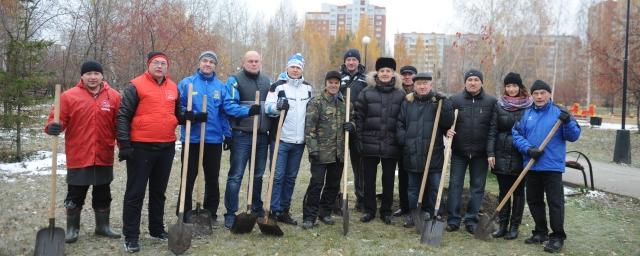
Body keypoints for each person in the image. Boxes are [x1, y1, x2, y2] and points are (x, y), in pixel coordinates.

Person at [44, 60, 122, 243]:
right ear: (82, 76)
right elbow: (54, 121)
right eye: (89, 74)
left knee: (103, 193)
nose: (93, 77)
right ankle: (72, 229)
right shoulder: (68, 96)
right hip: (79, 154)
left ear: (102, 76)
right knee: (75, 194)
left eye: (96, 73)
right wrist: (52, 127)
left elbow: (119, 125)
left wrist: (124, 145)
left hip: (104, 154)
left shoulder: (114, 97)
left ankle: (102, 226)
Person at [117, 51, 182, 253]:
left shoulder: (173, 87)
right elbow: (122, 116)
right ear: (148, 65)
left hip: (166, 147)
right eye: (156, 63)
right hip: (141, 147)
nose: (160, 66)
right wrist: (125, 145)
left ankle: (156, 229)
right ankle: (131, 236)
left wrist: (190, 116)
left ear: (167, 67)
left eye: (163, 63)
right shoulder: (135, 86)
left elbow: (176, 114)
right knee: (135, 193)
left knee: (158, 192)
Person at [512, 80, 580, 253]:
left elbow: (574, 136)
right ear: (532, 95)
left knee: (555, 203)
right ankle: (540, 232)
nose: (539, 96)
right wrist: (528, 149)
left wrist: (568, 122)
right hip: (532, 165)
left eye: (543, 93)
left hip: (552, 167)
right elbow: (516, 134)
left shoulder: (559, 113)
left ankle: (557, 236)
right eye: (536, 93)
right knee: (534, 201)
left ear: (549, 94)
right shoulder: (526, 114)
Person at [175, 51, 236, 223]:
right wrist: (192, 116)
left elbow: (223, 113)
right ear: (199, 63)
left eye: (211, 62)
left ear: (215, 65)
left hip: (213, 140)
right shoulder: (187, 83)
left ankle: (210, 212)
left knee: (212, 178)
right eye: (205, 61)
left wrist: (228, 134)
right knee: (188, 177)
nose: (208, 64)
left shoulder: (220, 87)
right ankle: (184, 212)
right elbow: (178, 108)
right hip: (191, 139)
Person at [396, 72, 453, 228]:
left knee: (434, 187)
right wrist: (405, 141)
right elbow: (400, 124)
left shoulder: (437, 103)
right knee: (413, 188)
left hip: (433, 153)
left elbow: (448, 122)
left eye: (425, 83)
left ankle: (434, 213)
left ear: (430, 85)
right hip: (412, 153)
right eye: (419, 83)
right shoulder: (408, 102)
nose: (422, 86)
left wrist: (445, 104)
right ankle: (414, 214)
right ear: (414, 85)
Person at [446, 69, 497, 234]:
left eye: (476, 79)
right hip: (459, 152)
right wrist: (446, 130)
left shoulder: (491, 102)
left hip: (480, 154)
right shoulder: (455, 100)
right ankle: (453, 219)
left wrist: (490, 152)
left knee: (477, 187)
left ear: (481, 82)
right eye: (470, 80)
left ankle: (471, 219)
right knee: (455, 185)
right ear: (465, 82)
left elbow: (492, 129)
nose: (473, 82)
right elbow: (445, 121)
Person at [355, 57, 405, 224]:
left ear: (393, 74)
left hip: (391, 144)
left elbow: (403, 119)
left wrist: (400, 138)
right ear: (377, 73)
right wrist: (359, 139)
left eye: (388, 71)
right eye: (382, 71)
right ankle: (369, 210)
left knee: (389, 179)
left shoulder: (400, 94)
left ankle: (386, 211)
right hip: (370, 143)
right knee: (369, 179)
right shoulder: (366, 92)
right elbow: (359, 117)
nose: (385, 73)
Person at [222, 51, 269, 229]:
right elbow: (228, 106)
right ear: (243, 62)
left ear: (261, 62)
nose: (254, 63)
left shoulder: (267, 81)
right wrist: (247, 111)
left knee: (257, 175)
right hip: (242, 134)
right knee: (236, 175)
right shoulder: (234, 80)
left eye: (257, 61)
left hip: (262, 135)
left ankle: (256, 207)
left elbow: (271, 105)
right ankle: (230, 213)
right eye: (250, 61)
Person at [265, 53, 313, 225]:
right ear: (287, 68)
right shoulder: (277, 86)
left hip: (299, 141)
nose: (295, 70)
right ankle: (273, 209)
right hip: (281, 138)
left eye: (298, 67)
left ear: (302, 69)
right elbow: (267, 108)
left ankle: (284, 209)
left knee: (291, 177)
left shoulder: (307, 88)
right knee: (277, 176)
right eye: (292, 66)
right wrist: (277, 107)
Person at [301, 71, 353, 229]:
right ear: (326, 84)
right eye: (330, 82)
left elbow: (354, 119)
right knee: (316, 184)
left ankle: (325, 212)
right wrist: (313, 150)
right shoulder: (316, 102)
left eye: (336, 83)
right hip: (321, 153)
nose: (333, 85)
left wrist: (352, 126)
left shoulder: (346, 103)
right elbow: (310, 127)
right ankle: (309, 216)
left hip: (339, 153)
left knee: (333, 184)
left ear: (339, 85)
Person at [486, 72, 532, 239]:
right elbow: (492, 130)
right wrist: (490, 153)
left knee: (519, 192)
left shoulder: (529, 106)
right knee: (504, 191)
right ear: (505, 87)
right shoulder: (499, 105)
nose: (511, 89)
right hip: (501, 152)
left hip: (521, 153)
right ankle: (503, 225)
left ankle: (514, 226)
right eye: (508, 86)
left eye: (514, 86)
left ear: (520, 87)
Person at [337, 48, 368, 213]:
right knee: (337, 164)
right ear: (345, 62)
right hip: (340, 126)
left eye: (354, 60)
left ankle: (361, 199)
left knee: (359, 166)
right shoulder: (337, 77)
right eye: (348, 60)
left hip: (358, 127)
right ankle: (336, 198)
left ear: (358, 61)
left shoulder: (366, 79)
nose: (351, 62)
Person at [394, 65, 417, 219]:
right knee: (402, 175)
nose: (407, 77)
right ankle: (404, 206)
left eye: (410, 75)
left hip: (418, 140)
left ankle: (415, 206)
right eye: (404, 75)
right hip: (402, 140)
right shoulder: (397, 93)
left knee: (415, 175)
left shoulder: (421, 92)